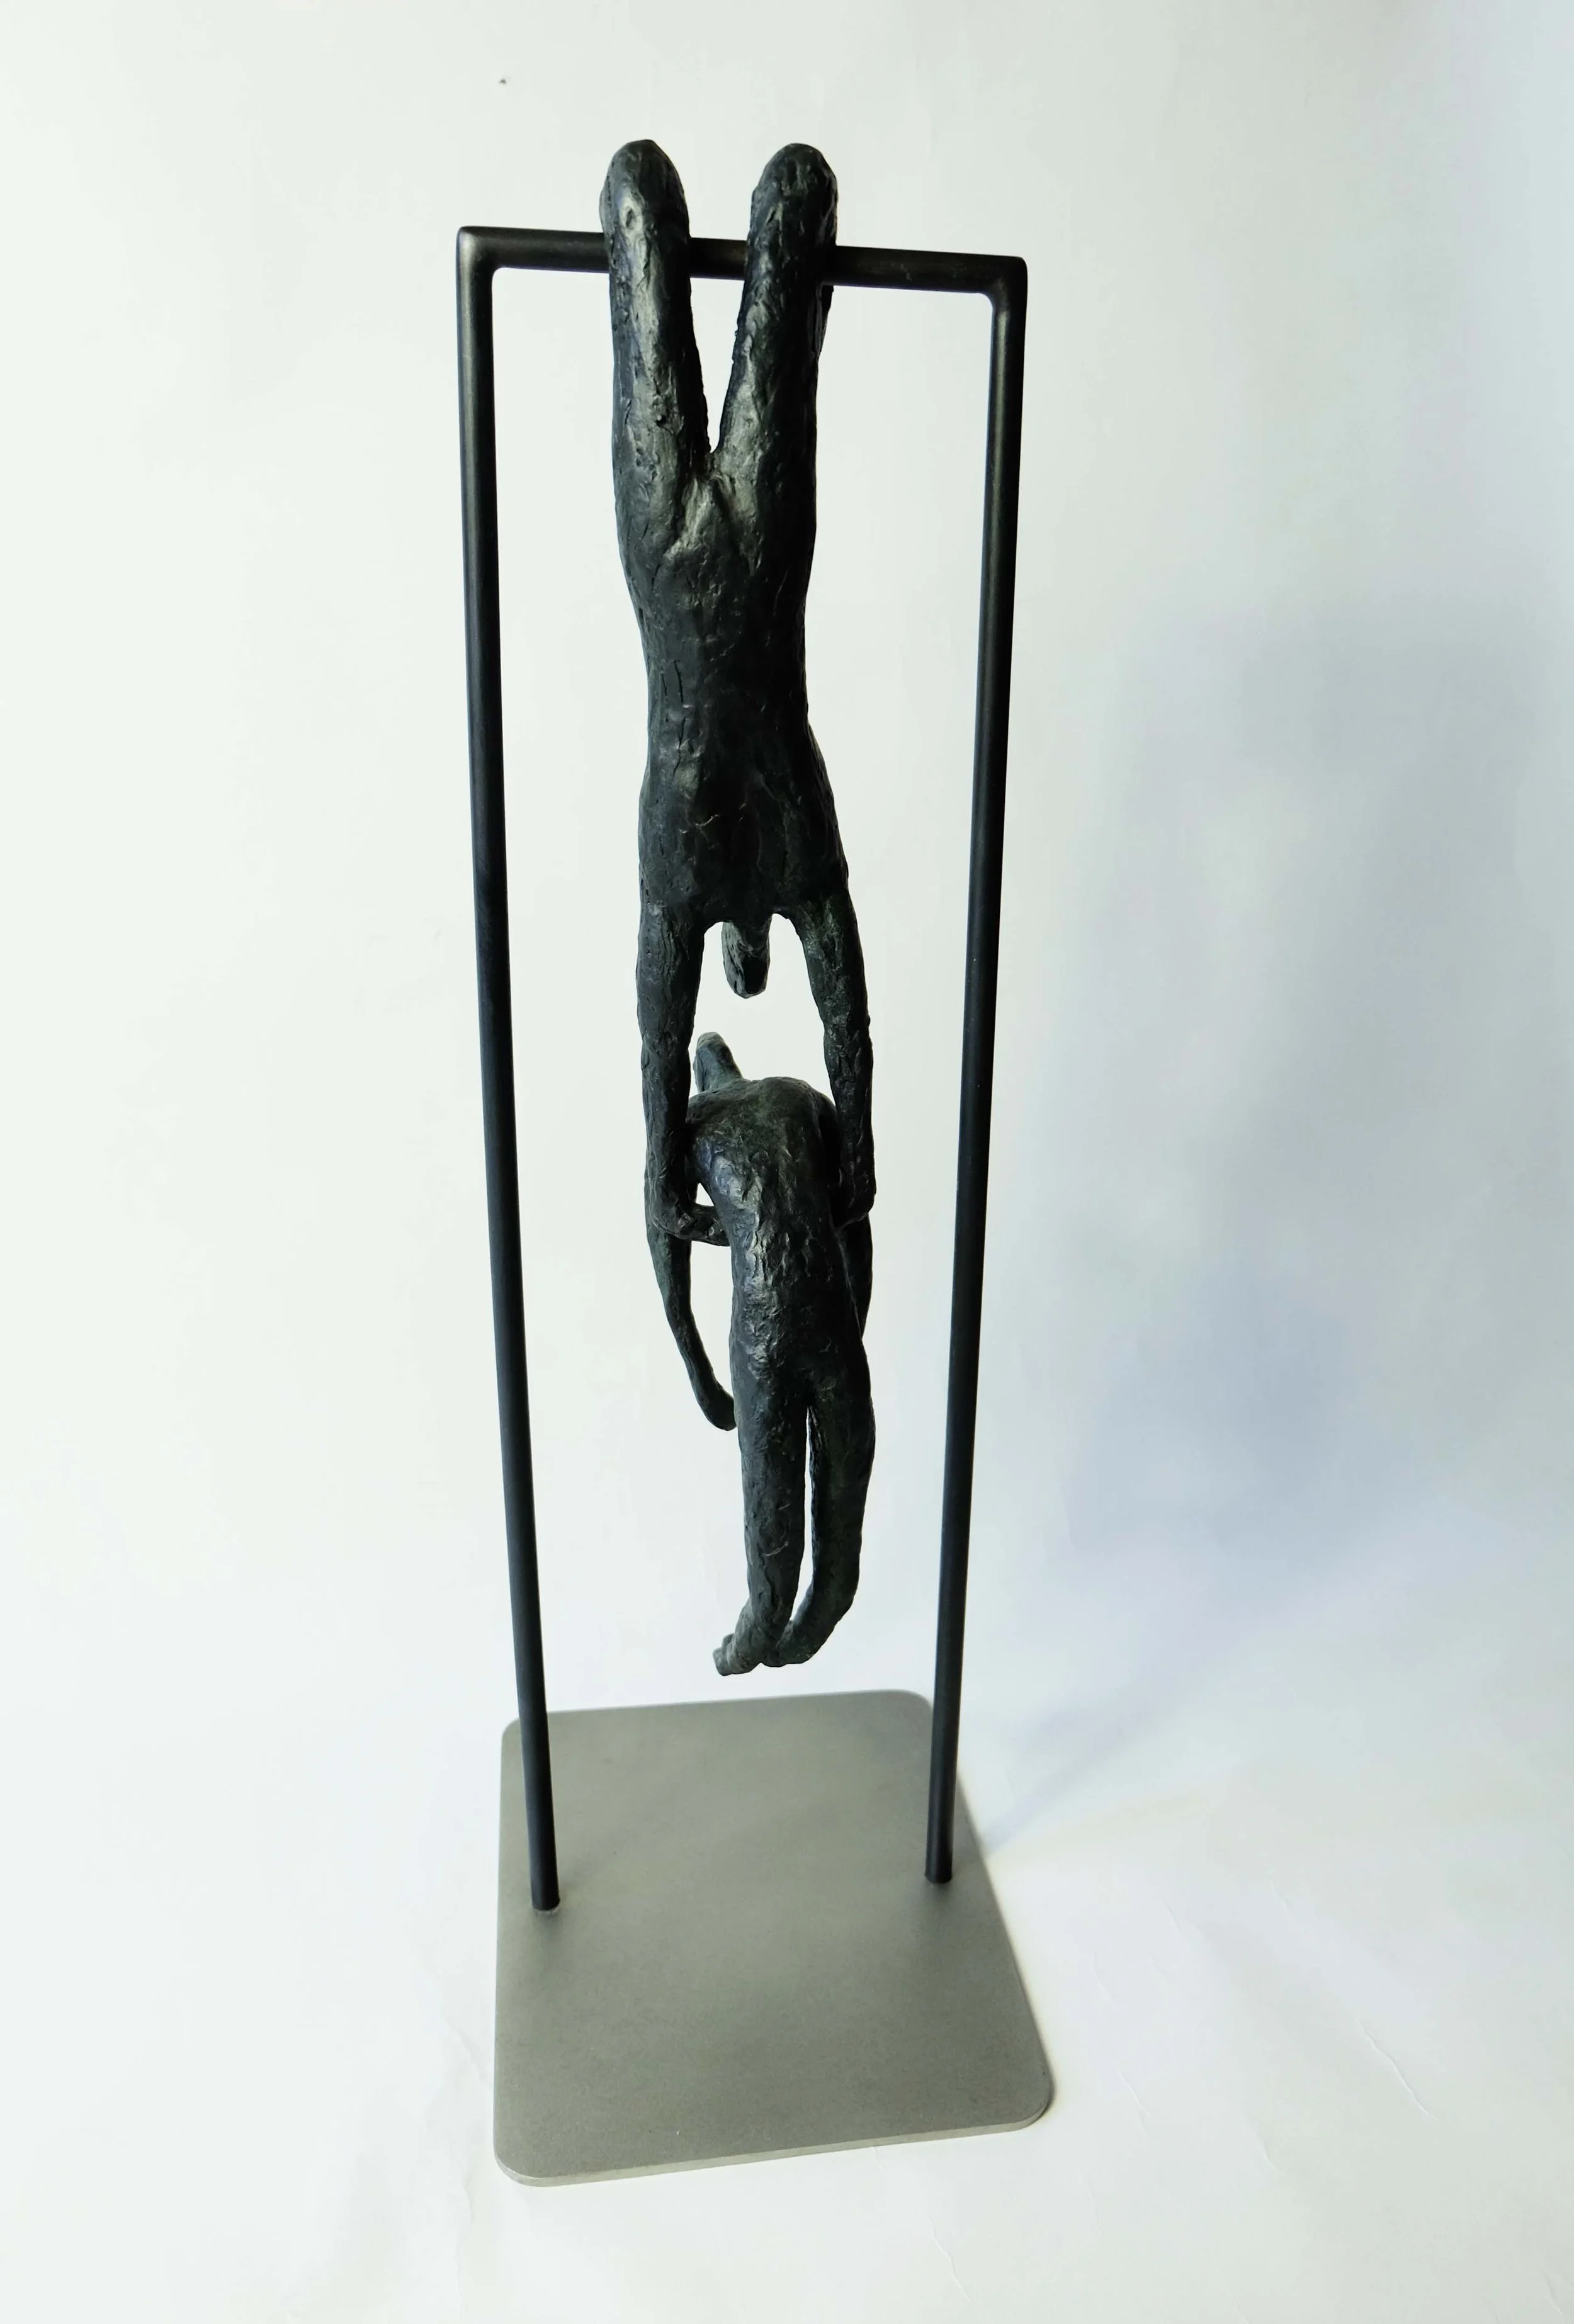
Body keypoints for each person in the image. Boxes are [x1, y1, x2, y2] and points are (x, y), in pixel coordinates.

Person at [601, 140, 875, 1255]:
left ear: (740, 943)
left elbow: (668, 1033)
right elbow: (819, 1003)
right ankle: (709, 215)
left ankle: (748, 223)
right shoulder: (772, 838)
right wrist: (854, 1154)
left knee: (765, 204)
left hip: (711, 564)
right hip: (710, 560)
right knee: (668, 198)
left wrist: (664, 1165)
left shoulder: (724, 855)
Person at [648, 1034, 875, 1674]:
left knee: (774, 1511)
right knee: (841, 1503)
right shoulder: (800, 1098)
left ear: (700, 1079)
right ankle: (786, 1632)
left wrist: (700, 1372)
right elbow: (854, 1220)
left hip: (762, 1338)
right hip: (828, 1326)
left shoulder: (689, 1127)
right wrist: (851, 1323)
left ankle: (756, 1637)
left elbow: (667, 1248)